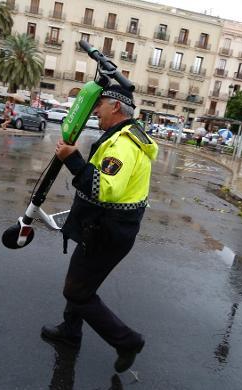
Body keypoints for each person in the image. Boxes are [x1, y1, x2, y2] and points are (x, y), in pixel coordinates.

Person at [43, 84, 159, 373]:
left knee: (77, 291)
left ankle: (127, 341)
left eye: (101, 104)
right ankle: (70, 332)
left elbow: (102, 189)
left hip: (108, 232)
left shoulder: (124, 144)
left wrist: (71, 158)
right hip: (102, 228)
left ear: (116, 107)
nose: (96, 110)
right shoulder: (127, 134)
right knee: (80, 279)